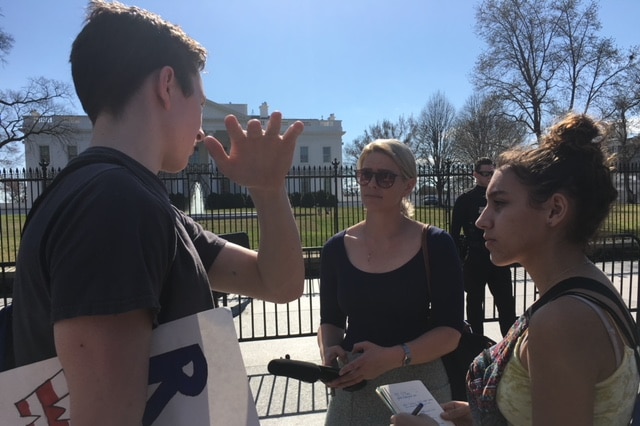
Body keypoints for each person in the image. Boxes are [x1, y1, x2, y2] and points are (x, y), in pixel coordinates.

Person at [11, 1, 305, 424]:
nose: (203, 129)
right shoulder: (113, 204)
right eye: (200, 103)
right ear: (167, 85)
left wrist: (268, 190)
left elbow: (279, 284)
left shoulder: (132, 202)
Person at [391, 112, 640, 425]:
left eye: (500, 203)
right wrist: (485, 414)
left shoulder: (563, 320)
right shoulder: (588, 290)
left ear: (554, 210)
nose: (482, 220)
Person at [317, 139, 465, 426]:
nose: (372, 183)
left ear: (408, 186)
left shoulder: (435, 244)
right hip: (355, 385)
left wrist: (393, 357)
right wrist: (329, 349)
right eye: (365, 174)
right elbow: (331, 320)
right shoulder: (335, 248)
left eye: (385, 177)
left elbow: (450, 331)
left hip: (419, 388)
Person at [451, 157, 516, 336]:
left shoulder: (501, 198)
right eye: (485, 173)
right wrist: (457, 261)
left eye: (492, 173)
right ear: (476, 175)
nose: (488, 176)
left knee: (506, 304)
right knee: (474, 305)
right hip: (475, 257)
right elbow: (454, 232)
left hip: (498, 256)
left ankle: (509, 346)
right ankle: (477, 345)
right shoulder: (466, 199)